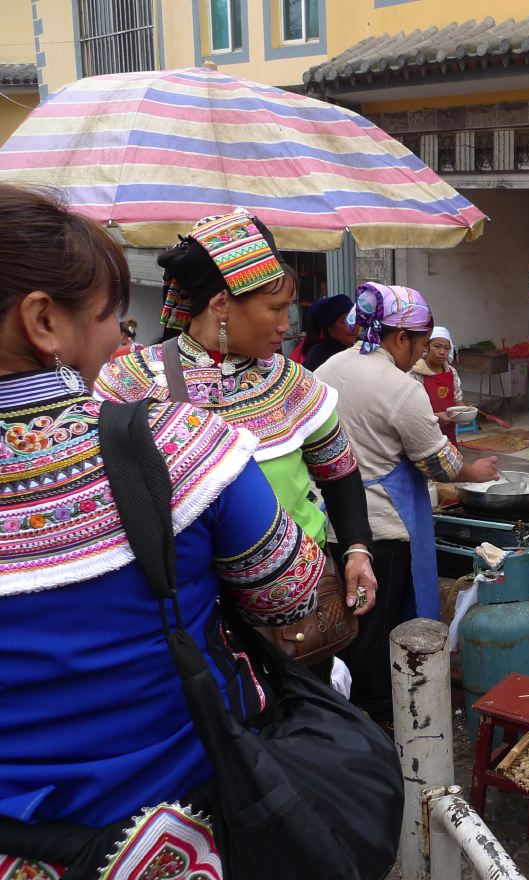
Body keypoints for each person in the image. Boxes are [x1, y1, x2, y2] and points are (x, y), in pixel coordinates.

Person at [0, 185, 326, 880]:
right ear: (43, 321)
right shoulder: (177, 447)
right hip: (162, 857)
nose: (120, 340)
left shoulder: (271, 391)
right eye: (109, 317)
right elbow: (294, 593)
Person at [95, 208, 377, 652]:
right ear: (221, 304)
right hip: (188, 611)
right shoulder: (129, 384)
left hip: (298, 610)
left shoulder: (292, 383)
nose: (286, 325)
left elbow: (339, 474)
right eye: (275, 309)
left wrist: (357, 549)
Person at [316, 284, 498, 725]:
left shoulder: (327, 368)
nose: (419, 355)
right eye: (419, 344)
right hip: (382, 528)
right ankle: (380, 716)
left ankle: (344, 705)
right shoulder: (401, 387)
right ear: (400, 338)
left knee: (345, 622)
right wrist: (472, 471)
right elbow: (438, 462)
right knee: (378, 629)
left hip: (331, 522)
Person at [411, 325, 465, 441]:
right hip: (424, 435)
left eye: (446, 348)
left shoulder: (451, 372)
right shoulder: (416, 373)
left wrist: (465, 412)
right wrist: (435, 416)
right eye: (437, 346)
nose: (442, 352)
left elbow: (457, 398)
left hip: (448, 432)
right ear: (426, 347)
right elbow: (411, 409)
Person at [294, 293, 358, 371]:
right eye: (344, 321)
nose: (353, 327)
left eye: (355, 320)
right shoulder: (319, 355)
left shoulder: (360, 347)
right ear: (329, 327)